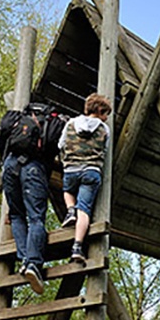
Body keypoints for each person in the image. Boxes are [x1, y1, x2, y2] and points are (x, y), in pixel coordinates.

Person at [0, 103, 61, 294]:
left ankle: (25, 259)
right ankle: (32, 263)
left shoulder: (18, 118)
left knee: (17, 215)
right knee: (36, 218)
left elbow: (2, 139)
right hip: (34, 167)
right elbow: (54, 150)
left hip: (10, 165)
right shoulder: (52, 121)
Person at [58, 92, 112, 263]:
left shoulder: (71, 123)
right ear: (101, 111)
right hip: (91, 170)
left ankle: (70, 210)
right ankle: (77, 246)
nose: (106, 118)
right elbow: (105, 148)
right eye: (106, 114)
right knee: (85, 210)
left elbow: (61, 144)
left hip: (71, 169)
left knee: (67, 190)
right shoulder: (104, 129)